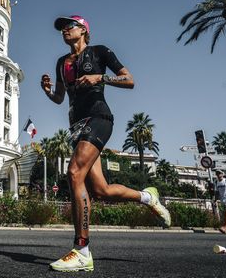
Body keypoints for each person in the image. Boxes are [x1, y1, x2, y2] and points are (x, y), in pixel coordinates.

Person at [41, 15, 171, 272]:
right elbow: (60, 97)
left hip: (99, 117)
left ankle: (82, 250)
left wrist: (100, 78)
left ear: (84, 30)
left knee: (74, 173)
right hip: (76, 126)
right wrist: (48, 92)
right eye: (62, 29)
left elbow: (129, 80)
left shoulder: (100, 52)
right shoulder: (61, 63)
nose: (64, 31)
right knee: (100, 190)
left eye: (70, 26)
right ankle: (147, 197)